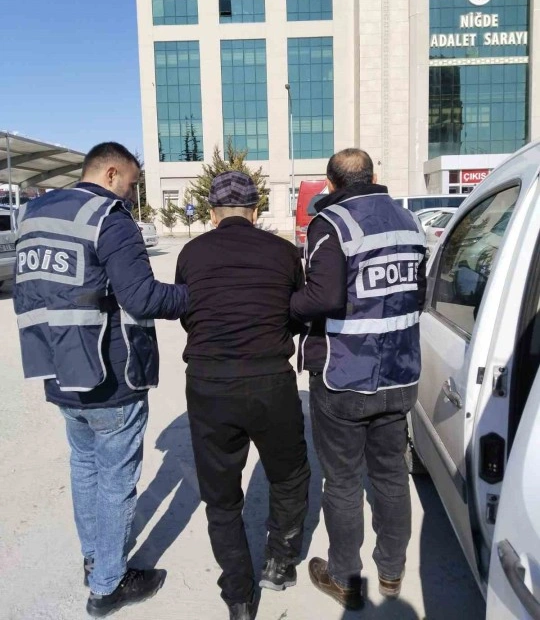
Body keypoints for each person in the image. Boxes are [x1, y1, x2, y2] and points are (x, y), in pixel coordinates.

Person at [13, 142, 188, 618]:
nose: (132, 194)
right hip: (112, 374)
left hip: (58, 368)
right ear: (111, 173)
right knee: (115, 480)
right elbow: (143, 297)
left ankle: (94, 559)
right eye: (131, 183)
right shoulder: (109, 218)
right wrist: (196, 296)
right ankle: (109, 584)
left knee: (85, 468)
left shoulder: (36, 214)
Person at [290, 148, 427, 610]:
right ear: (373, 175)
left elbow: (322, 297)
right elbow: (418, 294)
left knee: (344, 482)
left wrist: (289, 307)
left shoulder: (332, 223)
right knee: (390, 476)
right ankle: (391, 573)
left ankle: (345, 578)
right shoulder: (409, 222)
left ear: (330, 183)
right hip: (400, 374)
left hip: (344, 376)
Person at [175, 171, 311, 620]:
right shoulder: (284, 251)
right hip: (270, 380)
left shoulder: (191, 253)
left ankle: (238, 595)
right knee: (289, 475)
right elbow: (296, 313)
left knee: (221, 494)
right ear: (255, 211)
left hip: (209, 384)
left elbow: (188, 315)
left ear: (213, 213)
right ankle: (279, 563)